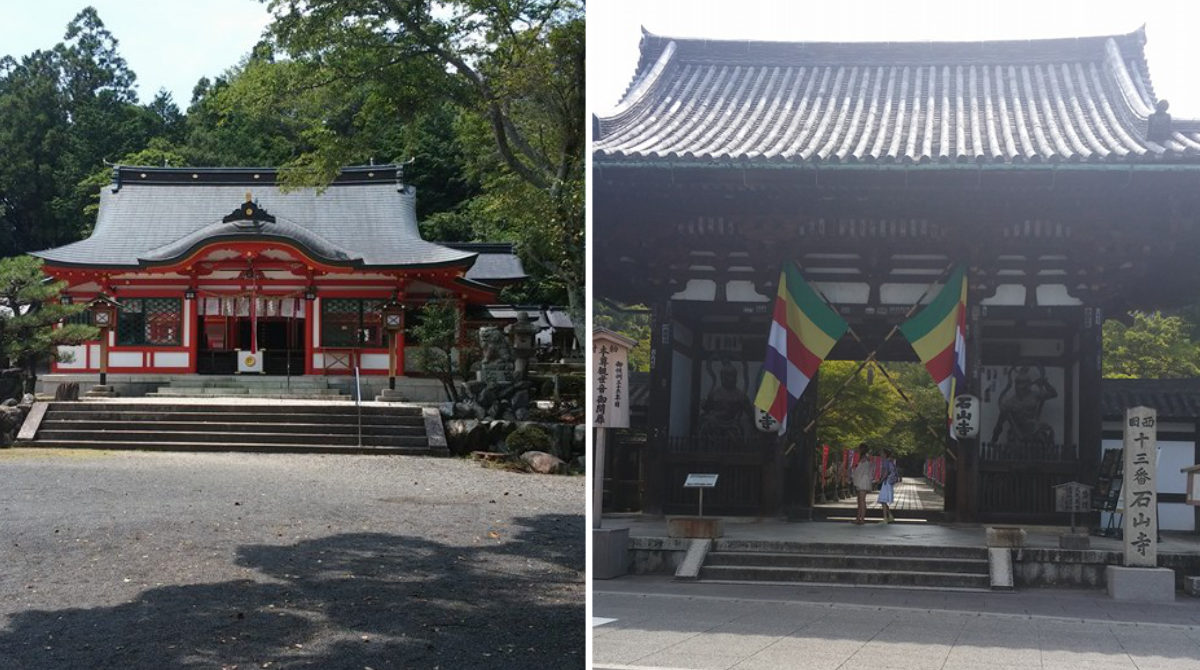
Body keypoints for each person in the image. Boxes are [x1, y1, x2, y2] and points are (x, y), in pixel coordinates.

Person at [850, 443, 873, 525]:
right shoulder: (865, 458)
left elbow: (860, 470)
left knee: (862, 501)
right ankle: (858, 518)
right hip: (862, 480)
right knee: (859, 500)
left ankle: (862, 519)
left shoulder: (864, 458)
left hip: (863, 480)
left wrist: (853, 474)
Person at [877, 449, 898, 523]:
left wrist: (880, 480)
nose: (880, 454)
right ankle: (890, 516)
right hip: (889, 482)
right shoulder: (890, 461)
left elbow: (885, 472)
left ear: (885, 454)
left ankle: (885, 518)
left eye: (882, 453)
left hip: (886, 482)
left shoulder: (886, 461)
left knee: (883, 500)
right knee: (884, 500)